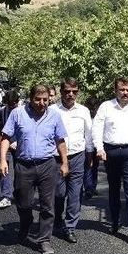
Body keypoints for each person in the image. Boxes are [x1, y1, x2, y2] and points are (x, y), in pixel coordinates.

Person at [0, 84, 69, 254]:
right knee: (23, 203)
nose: (42, 103)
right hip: (24, 165)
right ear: (31, 98)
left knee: (47, 205)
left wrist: (65, 163)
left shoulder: (54, 115)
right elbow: (6, 137)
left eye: (45, 100)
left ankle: (44, 240)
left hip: (47, 165)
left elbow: (60, 141)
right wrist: (2, 160)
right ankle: (26, 221)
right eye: (38, 99)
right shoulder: (18, 114)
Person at [92, 76, 128, 244]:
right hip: (111, 153)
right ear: (115, 90)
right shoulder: (106, 107)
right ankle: (115, 222)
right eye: (122, 90)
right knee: (114, 189)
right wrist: (99, 149)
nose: (125, 93)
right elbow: (97, 128)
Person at [52, 78, 93, 243]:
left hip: (77, 156)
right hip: (55, 158)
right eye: (67, 91)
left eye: (74, 91)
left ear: (78, 92)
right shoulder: (52, 110)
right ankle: (56, 218)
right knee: (59, 193)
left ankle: (70, 227)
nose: (70, 94)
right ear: (61, 92)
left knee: (75, 193)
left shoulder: (83, 111)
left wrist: (90, 156)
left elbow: (88, 134)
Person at [0, 89, 21, 209]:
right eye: (9, 103)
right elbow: (0, 126)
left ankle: (18, 193)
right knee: (3, 168)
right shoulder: (3, 111)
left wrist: (17, 141)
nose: (11, 106)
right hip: (4, 143)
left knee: (20, 170)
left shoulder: (22, 112)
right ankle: (6, 196)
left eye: (13, 103)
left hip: (18, 144)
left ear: (17, 102)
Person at [82, 96, 101, 200]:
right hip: (88, 147)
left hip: (96, 147)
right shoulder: (87, 118)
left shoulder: (98, 118)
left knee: (91, 167)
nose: (93, 108)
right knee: (90, 167)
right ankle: (89, 188)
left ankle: (91, 187)